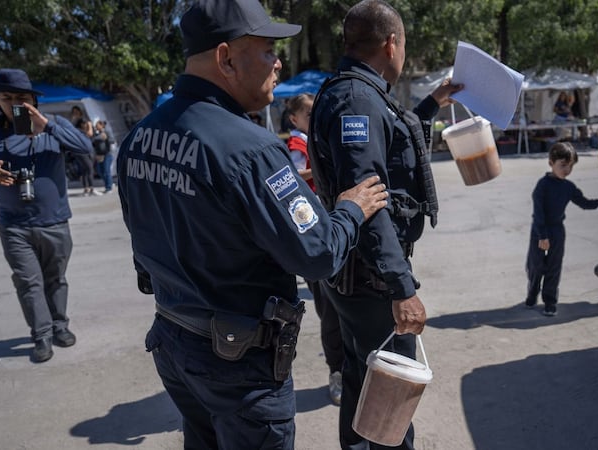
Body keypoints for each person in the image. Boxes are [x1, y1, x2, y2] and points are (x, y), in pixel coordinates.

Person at [116, 1, 389, 448]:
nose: (278, 62)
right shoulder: (252, 149)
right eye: (266, 51)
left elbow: (142, 246)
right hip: (237, 361)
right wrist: (351, 209)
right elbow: (317, 254)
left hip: (174, 340)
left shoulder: (141, 137)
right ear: (225, 58)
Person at [307, 1, 463, 448]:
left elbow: (392, 141)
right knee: (392, 390)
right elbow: (370, 199)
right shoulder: (357, 98)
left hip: (352, 273)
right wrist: (402, 288)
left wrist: (433, 103)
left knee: (362, 378)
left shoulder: (354, 90)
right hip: (370, 278)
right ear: (392, 43)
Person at [0, 68, 92, 362]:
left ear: (33, 100)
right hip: (14, 225)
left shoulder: (53, 124)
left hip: (54, 221)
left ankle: (59, 325)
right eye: (7, 97)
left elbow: (85, 147)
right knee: (28, 282)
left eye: (21, 97)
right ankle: (41, 336)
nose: (15, 103)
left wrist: (47, 127)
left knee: (56, 279)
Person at [286, 92, 344, 405]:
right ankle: (337, 372)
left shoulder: (318, 140)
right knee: (331, 311)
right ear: (294, 119)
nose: (313, 117)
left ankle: (348, 368)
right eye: (307, 113)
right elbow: (294, 178)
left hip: (333, 227)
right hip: (314, 232)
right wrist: (323, 169)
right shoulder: (297, 145)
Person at [524, 142, 598, 316]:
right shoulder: (542, 186)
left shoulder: (568, 187)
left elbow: (585, 204)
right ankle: (532, 292)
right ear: (551, 163)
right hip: (540, 232)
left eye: (570, 166)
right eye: (563, 165)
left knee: (554, 268)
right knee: (536, 266)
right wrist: (542, 236)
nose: (567, 170)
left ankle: (549, 301)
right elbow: (538, 214)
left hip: (557, 232)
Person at [75, 118, 102, 196]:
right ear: (82, 124)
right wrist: (90, 125)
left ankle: (86, 189)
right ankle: (91, 188)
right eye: (85, 124)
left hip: (86, 153)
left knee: (85, 171)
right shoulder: (79, 131)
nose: (87, 125)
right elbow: (89, 134)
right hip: (82, 153)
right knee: (90, 169)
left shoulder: (80, 131)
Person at [92, 119, 114, 193]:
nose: (96, 127)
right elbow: (93, 141)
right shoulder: (96, 134)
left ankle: (109, 187)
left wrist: (106, 138)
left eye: (97, 125)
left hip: (107, 155)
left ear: (101, 125)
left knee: (106, 171)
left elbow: (112, 140)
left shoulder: (107, 132)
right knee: (99, 171)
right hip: (99, 156)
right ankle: (109, 183)